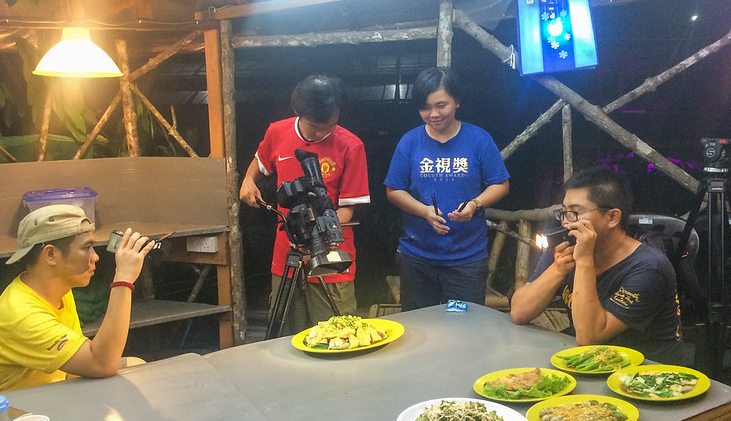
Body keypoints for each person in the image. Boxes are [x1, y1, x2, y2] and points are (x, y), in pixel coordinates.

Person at [0, 204, 155, 399]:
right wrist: (124, 279)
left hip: (39, 398)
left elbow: (80, 369)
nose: (95, 257)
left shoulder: (58, 291)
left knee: (135, 366)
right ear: (50, 254)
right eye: (87, 247)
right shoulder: (21, 314)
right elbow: (102, 364)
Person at [510, 168, 688, 366]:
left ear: (612, 217)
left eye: (575, 212)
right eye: (564, 212)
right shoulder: (566, 249)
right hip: (590, 364)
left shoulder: (650, 268)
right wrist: (558, 269)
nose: (566, 222)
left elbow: (590, 336)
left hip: (648, 374)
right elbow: (519, 312)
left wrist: (584, 260)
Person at [239, 75, 370, 335]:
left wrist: (317, 233)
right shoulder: (277, 132)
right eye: (315, 126)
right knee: (285, 333)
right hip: (286, 255)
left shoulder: (351, 145)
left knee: (336, 333)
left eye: (330, 125)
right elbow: (260, 163)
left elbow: (347, 209)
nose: (322, 133)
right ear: (298, 111)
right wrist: (248, 180)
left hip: (331, 256)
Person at [383, 66, 509, 310]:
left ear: (457, 101)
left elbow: (500, 184)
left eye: (441, 105)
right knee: (419, 327)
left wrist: (475, 203)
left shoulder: (479, 139)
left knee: (462, 326)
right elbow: (394, 190)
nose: (433, 114)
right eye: (425, 107)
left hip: (466, 260)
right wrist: (424, 211)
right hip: (417, 257)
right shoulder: (410, 141)